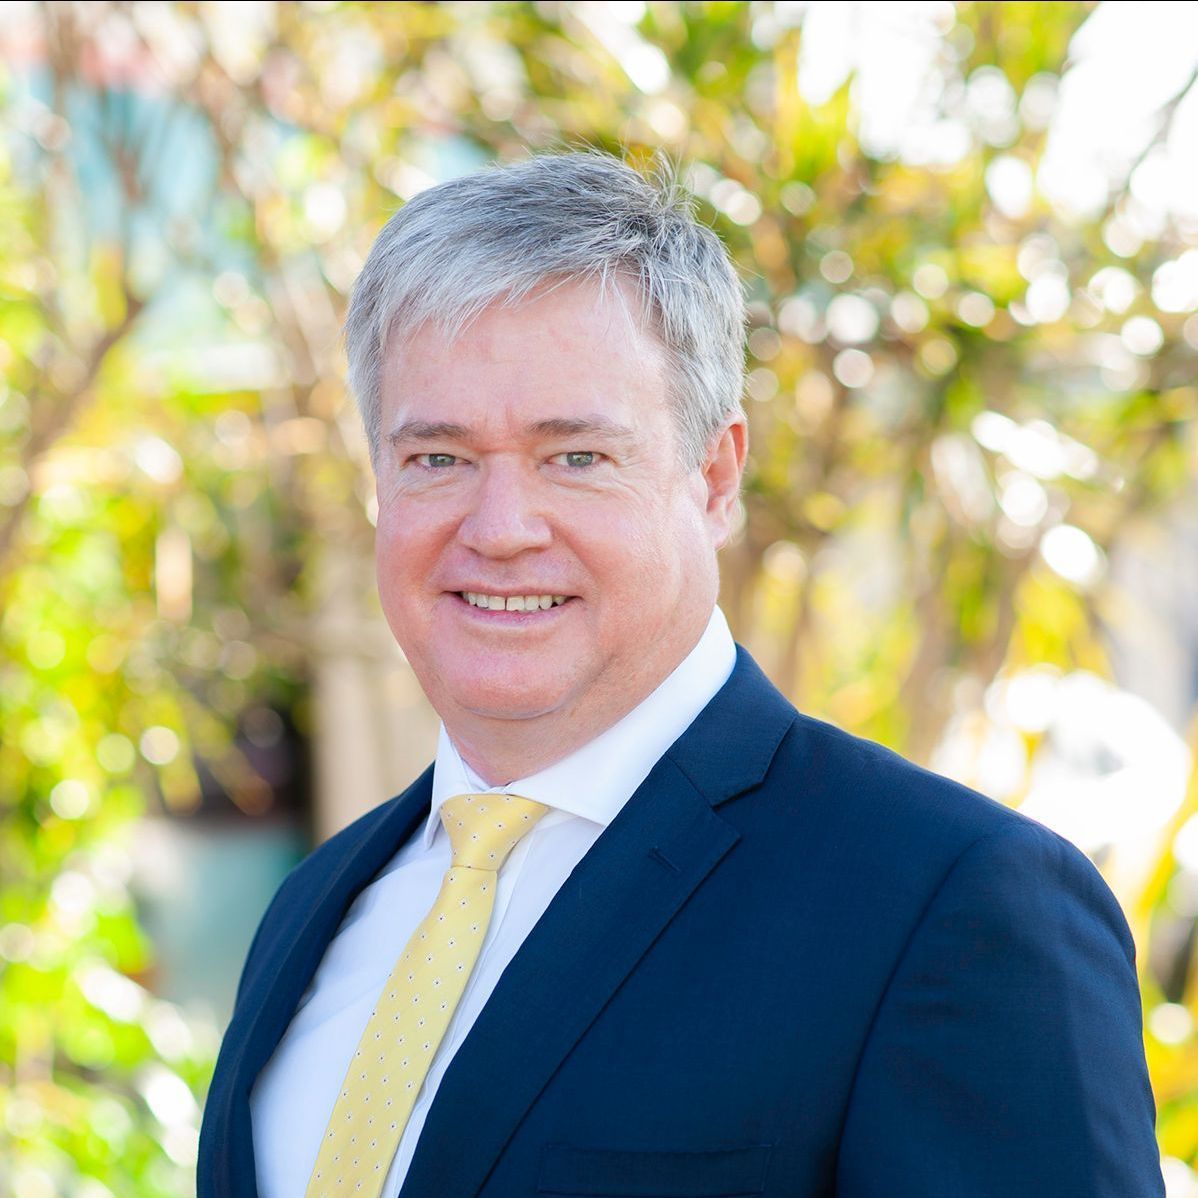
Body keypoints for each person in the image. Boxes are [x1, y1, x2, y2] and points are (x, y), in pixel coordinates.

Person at [198, 152, 1164, 1198]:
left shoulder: (951, 907)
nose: (501, 528)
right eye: (440, 458)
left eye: (575, 456)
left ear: (713, 477)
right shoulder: (315, 906)